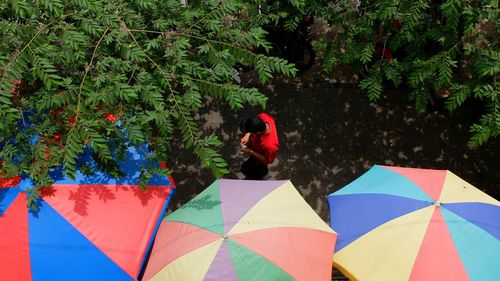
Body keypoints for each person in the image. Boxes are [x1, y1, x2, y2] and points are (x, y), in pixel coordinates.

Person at [239, 113, 279, 180]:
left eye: (250, 132)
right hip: (256, 152)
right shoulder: (264, 117)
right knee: (245, 169)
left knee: (252, 174)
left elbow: (267, 160)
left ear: (257, 133)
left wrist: (251, 151)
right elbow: (254, 123)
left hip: (260, 162)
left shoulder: (271, 146)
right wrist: (247, 135)